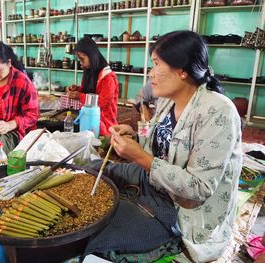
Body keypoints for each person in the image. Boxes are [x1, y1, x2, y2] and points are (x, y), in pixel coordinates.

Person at [90, 30, 243, 262]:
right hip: (155, 182)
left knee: (105, 240)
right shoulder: (167, 101)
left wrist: (141, 158)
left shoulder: (218, 111)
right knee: (94, 170)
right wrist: (134, 137)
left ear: (182, 70)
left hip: (182, 208)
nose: (151, 73)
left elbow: (199, 187)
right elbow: (162, 145)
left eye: (156, 64)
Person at [66, 37, 119, 136]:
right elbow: (89, 91)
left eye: (82, 59)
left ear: (92, 55)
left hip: (105, 127)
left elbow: (101, 102)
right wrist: (77, 89)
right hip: (89, 122)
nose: (80, 63)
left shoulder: (108, 77)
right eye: (79, 60)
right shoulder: (89, 72)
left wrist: (79, 96)